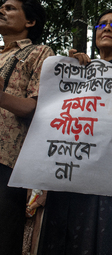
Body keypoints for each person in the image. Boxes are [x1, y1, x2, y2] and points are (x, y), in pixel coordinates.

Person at [37, 9, 112, 255]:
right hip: (70, 167)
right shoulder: (78, 68)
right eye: (101, 25)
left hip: (107, 170)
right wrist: (67, 69)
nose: (108, 28)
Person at [0, 0, 54, 254]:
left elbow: (35, 108)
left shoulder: (40, 53)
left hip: (8, 161)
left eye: (10, 8)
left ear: (30, 22)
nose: (1, 10)